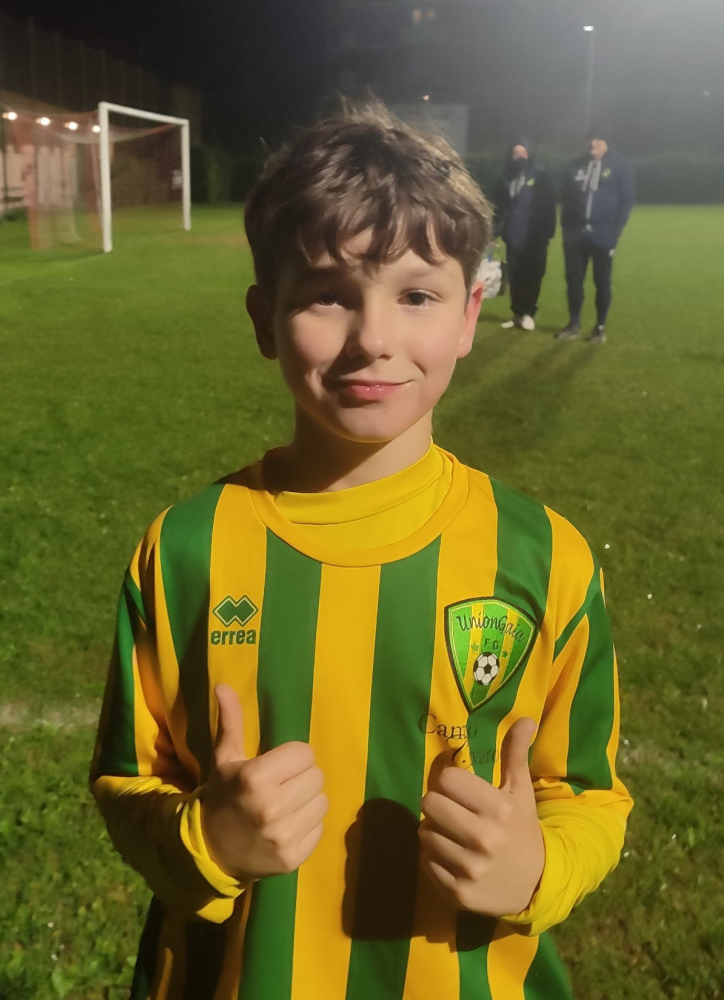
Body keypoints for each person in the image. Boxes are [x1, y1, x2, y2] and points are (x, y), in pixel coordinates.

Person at [90, 101, 632, 1000]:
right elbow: (127, 781)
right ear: (265, 319)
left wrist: (539, 868)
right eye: (327, 294)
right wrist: (207, 840)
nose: (374, 338)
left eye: (416, 295)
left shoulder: (544, 557)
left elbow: (588, 792)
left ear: (469, 314)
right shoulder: (185, 550)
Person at [556, 131, 635, 343]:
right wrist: (567, 226)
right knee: (573, 280)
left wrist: (617, 228)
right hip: (575, 233)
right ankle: (574, 323)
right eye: (590, 139)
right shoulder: (575, 166)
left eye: (598, 139)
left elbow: (627, 199)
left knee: (602, 281)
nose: (592, 143)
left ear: (607, 142)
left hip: (603, 233)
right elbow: (564, 195)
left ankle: (599, 327)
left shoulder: (620, 166)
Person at [492, 138, 557, 331]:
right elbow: (499, 207)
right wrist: (493, 232)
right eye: (515, 153)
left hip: (535, 237)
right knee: (515, 277)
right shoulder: (504, 176)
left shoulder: (540, 174)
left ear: (529, 154)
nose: (519, 157)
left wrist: (548, 231)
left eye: (523, 153)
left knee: (532, 276)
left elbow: (549, 204)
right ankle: (517, 313)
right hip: (513, 236)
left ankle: (529, 313)